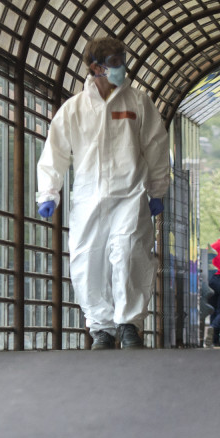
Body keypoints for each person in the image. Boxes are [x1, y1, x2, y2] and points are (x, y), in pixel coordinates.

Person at [35, 36, 171, 350]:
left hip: (130, 195)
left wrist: (157, 189)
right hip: (88, 199)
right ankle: (101, 328)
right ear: (95, 67)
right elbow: (55, 153)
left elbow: (157, 146)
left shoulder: (138, 103)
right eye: (113, 61)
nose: (122, 66)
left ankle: (128, 325)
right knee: (87, 262)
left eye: (122, 59)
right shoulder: (74, 109)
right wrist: (48, 194)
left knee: (128, 254)